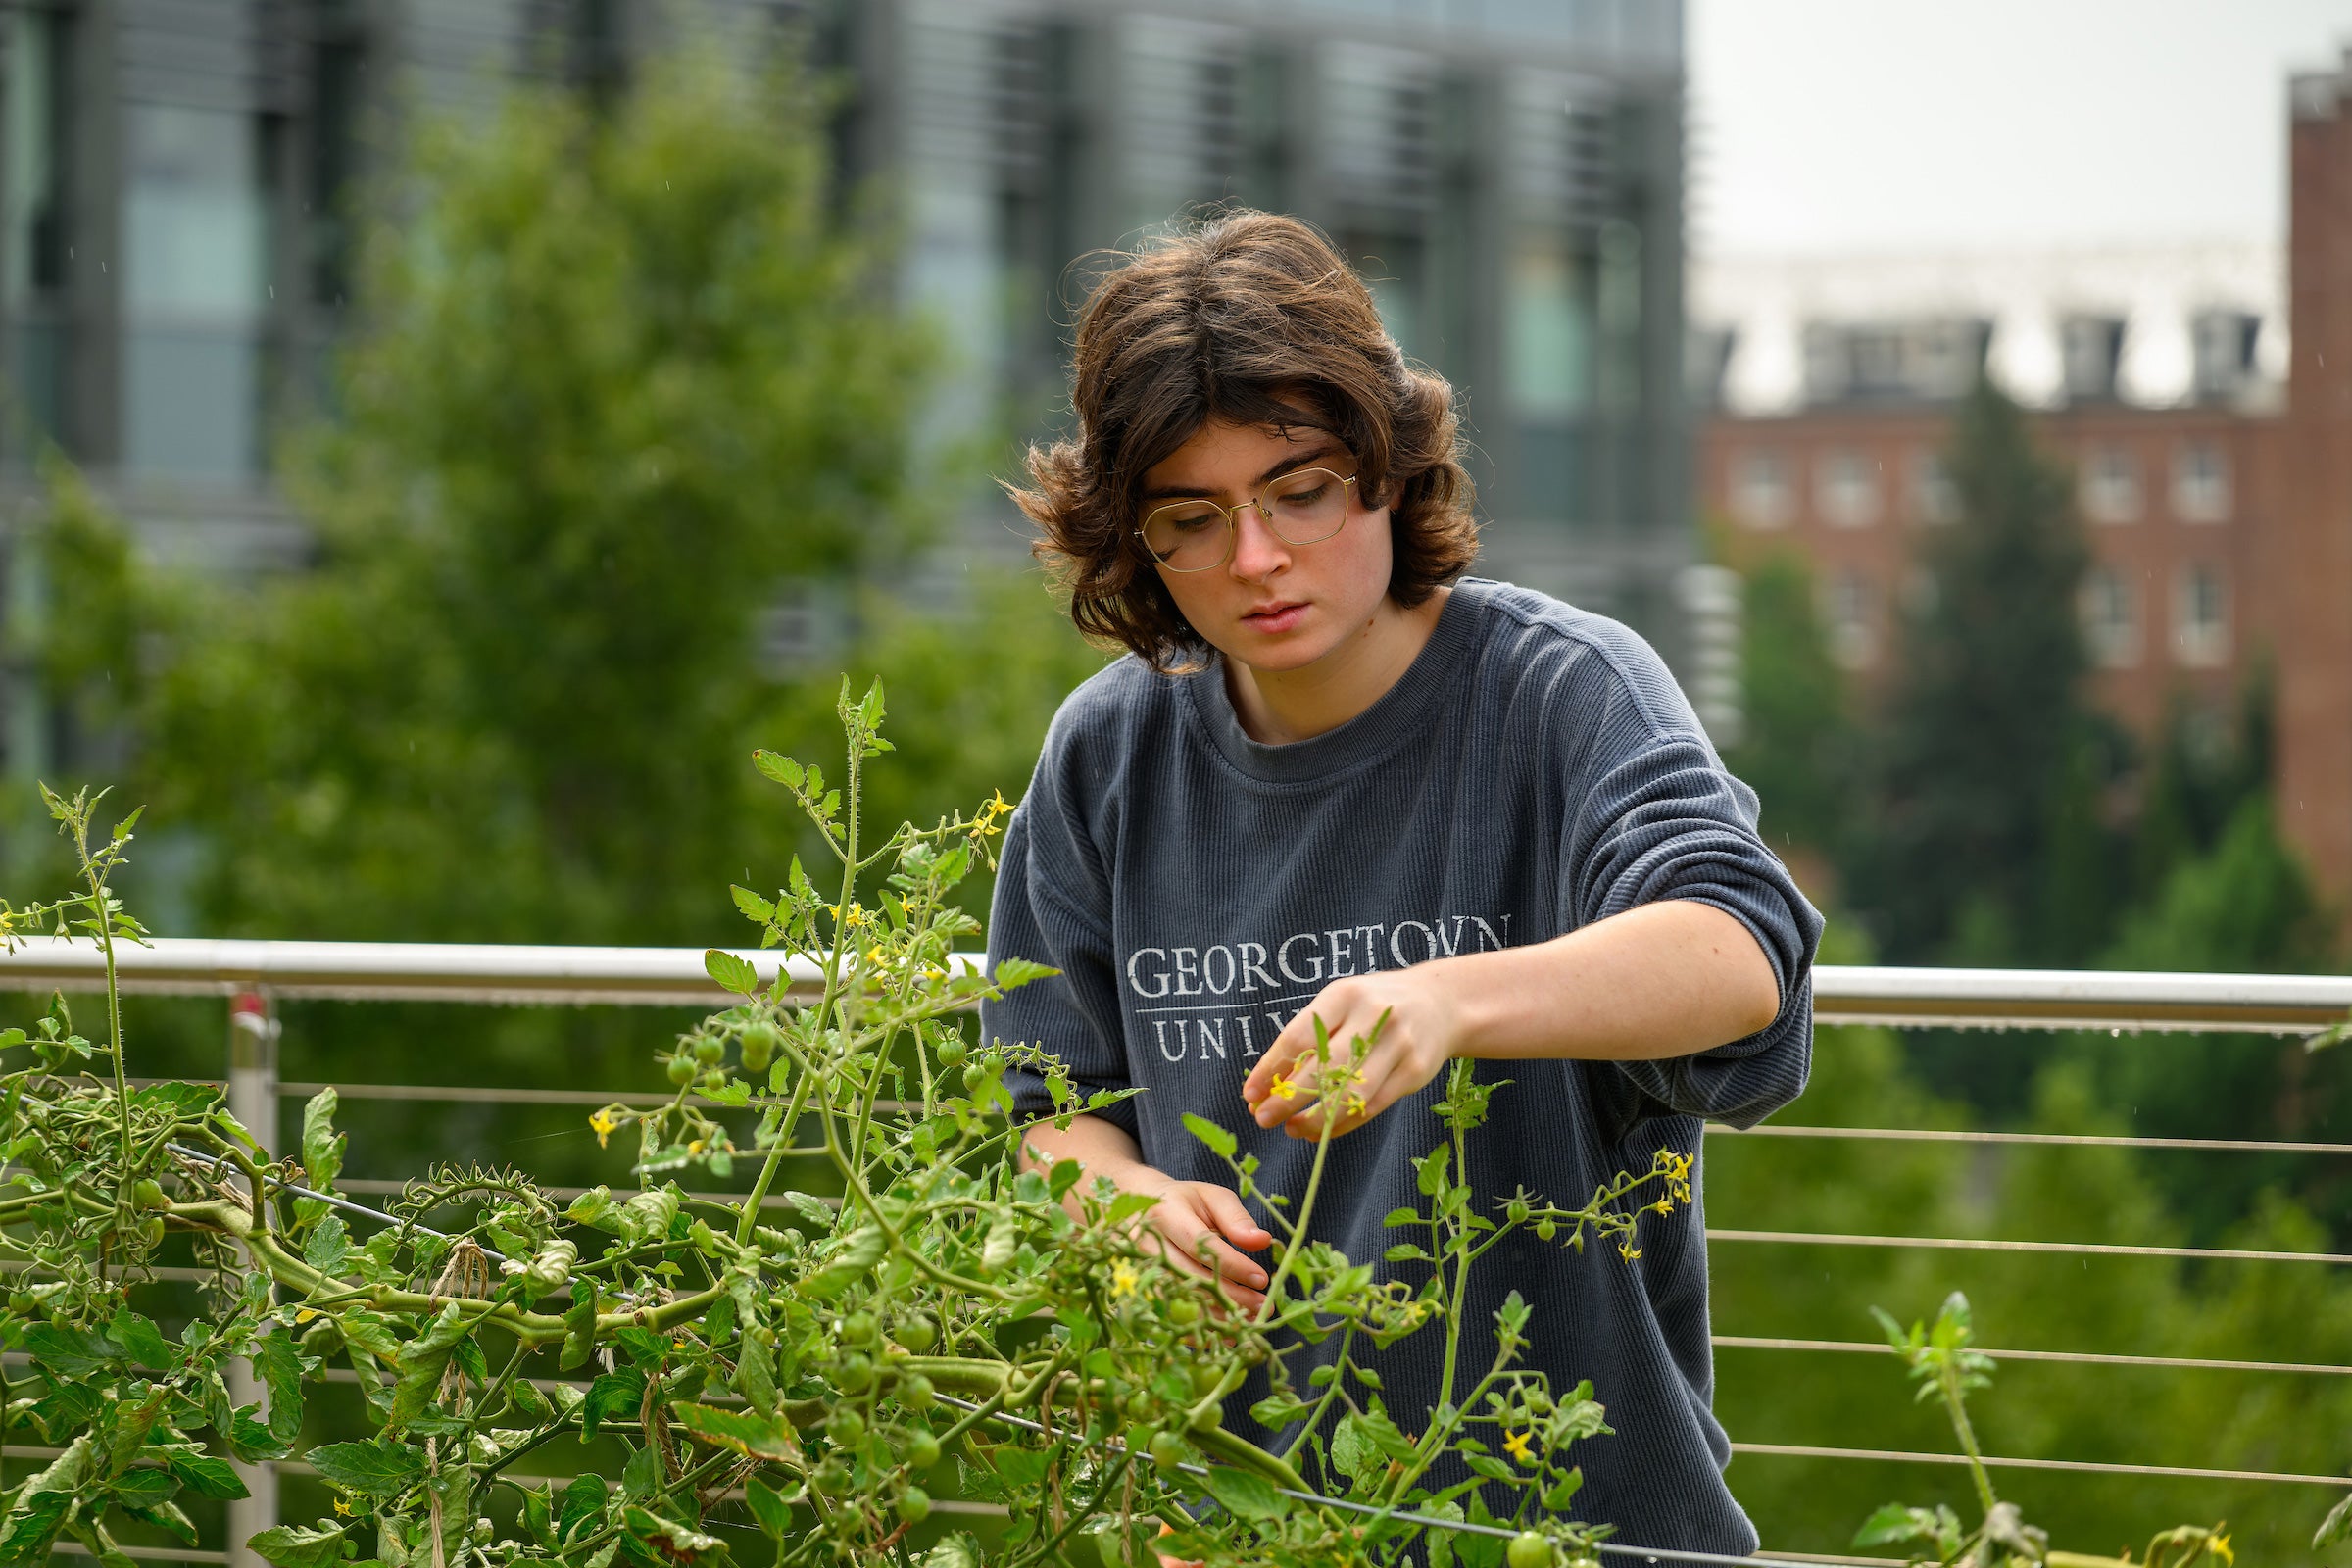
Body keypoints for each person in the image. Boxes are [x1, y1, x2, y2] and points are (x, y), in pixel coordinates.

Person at [980, 211, 1821, 1555]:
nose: (1255, 560)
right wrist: (1116, 1198)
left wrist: (1447, 1005)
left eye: (1299, 492)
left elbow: (1739, 957)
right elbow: (1037, 1104)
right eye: (1192, 520)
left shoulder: (1563, 694)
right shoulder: (1110, 750)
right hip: (1239, 1527)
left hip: (1578, 1529)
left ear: (1386, 466)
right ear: (1133, 543)